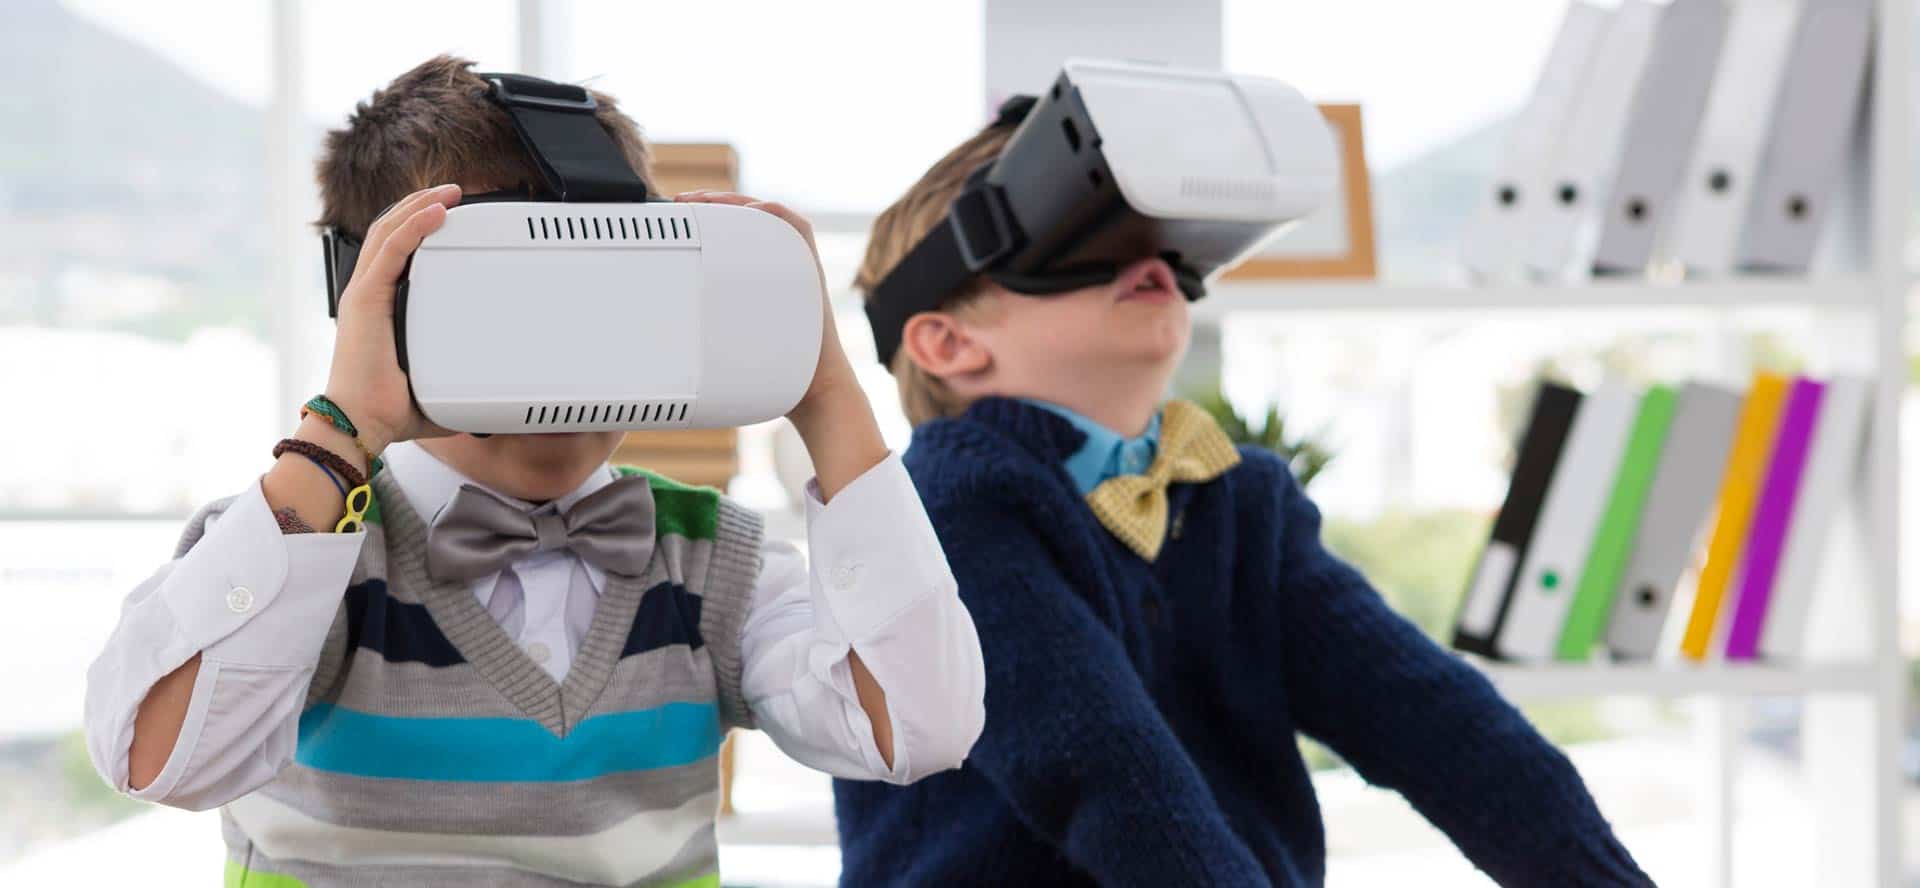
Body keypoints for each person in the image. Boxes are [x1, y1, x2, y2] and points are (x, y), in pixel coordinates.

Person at [83, 55, 983, 887]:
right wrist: (336, 436)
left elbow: (921, 727)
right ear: (375, 310)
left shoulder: (713, 561)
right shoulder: (309, 549)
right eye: (510, 306)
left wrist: (825, 393)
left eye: (608, 303)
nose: (566, 368)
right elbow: (162, 760)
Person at [830, 107, 1653, 886]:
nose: (1142, 253)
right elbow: (1106, 774)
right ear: (947, 341)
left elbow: (1442, 727)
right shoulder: (943, 507)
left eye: (1156, 231)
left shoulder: (1235, 502)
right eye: (1076, 233)